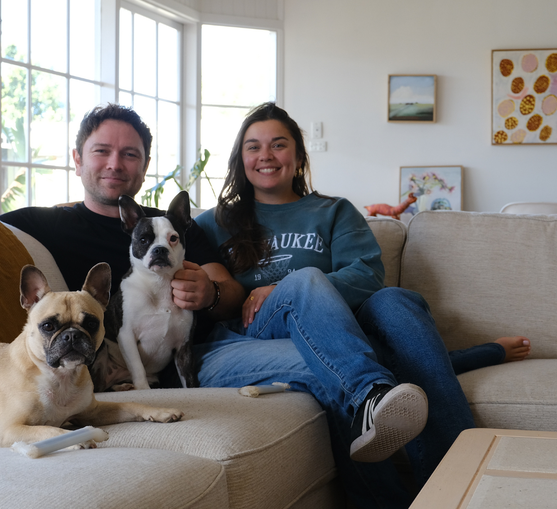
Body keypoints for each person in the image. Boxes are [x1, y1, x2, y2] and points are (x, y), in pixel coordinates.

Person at [192, 102, 478, 508]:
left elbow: (365, 274)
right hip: (250, 335)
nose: (266, 156)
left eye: (279, 144)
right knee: (305, 282)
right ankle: (371, 399)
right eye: (253, 147)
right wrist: (289, 288)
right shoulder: (212, 222)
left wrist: (282, 288)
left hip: (324, 327)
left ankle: (456, 484)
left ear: (299, 155)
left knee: (395, 300)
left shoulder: (333, 210)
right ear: (241, 158)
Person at [0, 104, 244, 320]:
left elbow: (233, 294)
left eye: (129, 154)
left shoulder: (172, 225)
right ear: (78, 160)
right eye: (101, 151)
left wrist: (212, 293)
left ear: (145, 165)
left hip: (197, 357)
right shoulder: (44, 224)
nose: (114, 164)